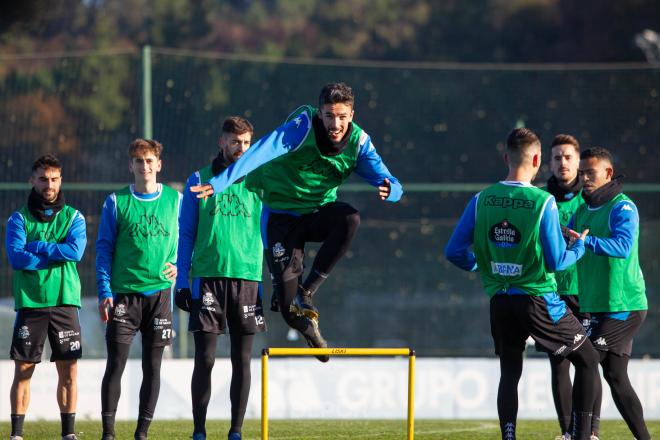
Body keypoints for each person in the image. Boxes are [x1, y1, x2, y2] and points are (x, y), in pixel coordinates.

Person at [191, 82, 403, 362]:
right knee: (289, 310)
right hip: (281, 218)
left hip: (317, 213)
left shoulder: (360, 144)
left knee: (350, 218)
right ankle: (306, 325)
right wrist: (220, 182)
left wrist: (391, 191)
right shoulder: (302, 128)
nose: (335, 124)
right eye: (328, 116)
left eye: (341, 116)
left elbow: (392, 181)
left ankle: (308, 290)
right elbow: (260, 151)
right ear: (319, 114)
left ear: (352, 114)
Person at [444, 128, 600, 440]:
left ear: (506, 157)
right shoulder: (543, 202)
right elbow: (557, 262)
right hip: (538, 299)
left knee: (510, 372)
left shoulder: (481, 198)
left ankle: (509, 436)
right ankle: (582, 436)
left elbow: (453, 251)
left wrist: (482, 265)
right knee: (589, 359)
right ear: (538, 159)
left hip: (500, 300)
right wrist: (580, 247)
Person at [175, 117, 266, 440]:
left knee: (242, 360)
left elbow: (270, 229)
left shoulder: (260, 180)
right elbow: (185, 234)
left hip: (247, 278)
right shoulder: (199, 179)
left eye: (245, 143)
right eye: (234, 141)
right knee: (207, 358)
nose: (240, 148)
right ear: (221, 142)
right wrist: (182, 282)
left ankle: (236, 431)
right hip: (207, 277)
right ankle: (199, 431)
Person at [96, 139, 181, 440]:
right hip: (124, 296)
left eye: (149, 161)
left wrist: (182, 264)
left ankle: (142, 433)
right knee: (115, 365)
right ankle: (108, 433)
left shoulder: (176, 200)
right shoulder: (116, 202)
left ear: (159, 164)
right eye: (138, 161)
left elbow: (192, 237)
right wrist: (105, 291)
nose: (144, 166)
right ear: (130, 165)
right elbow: (103, 249)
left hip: (160, 297)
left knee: (153, 367)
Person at [571, 147, 650, 440]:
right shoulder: (581, 210)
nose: (585, 178)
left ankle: (580, 435)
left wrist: (585, 243)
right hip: (598, 304)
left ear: (608, 173)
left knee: (585, 358)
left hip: (625, 305)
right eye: (582, 174)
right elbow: (568, 245)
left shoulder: (623, 207)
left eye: (590, 173)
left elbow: (623, 247)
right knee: (616, 377)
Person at [5, 154, 87, 440]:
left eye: (53, 179)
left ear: (61, 180)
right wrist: (55, 253)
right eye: (42, 179)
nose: (48, 184)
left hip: (65, 301)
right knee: (24, 369)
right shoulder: (18, 218)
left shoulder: (74, 217)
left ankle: (68, 434)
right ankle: (16, 434)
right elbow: (17, 258)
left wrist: (38, 246)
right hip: (31, 302)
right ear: (32, 180)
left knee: (69, 370)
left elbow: (74, 253)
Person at [542, 134, 600, 440]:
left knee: (590, 362)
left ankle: (590, 432)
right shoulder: (541, 200)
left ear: (577, 162)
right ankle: (567, 432)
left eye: (567, 157)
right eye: (557, 157)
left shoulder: (591, 200)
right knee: (559, 363)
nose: (562, 162)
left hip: (587, 291)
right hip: (552, 293)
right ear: (547, 163)